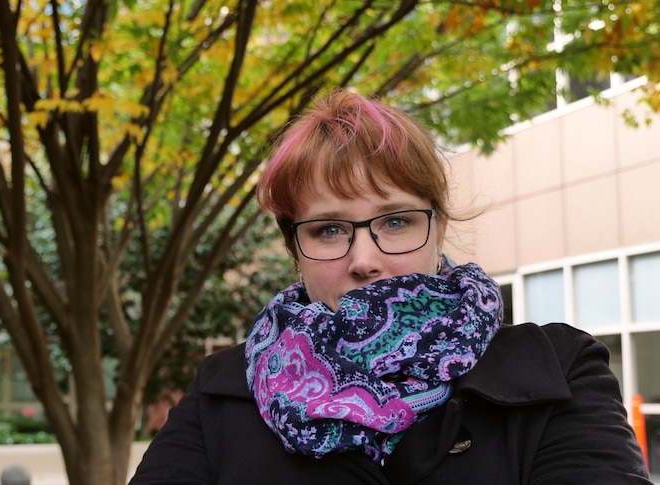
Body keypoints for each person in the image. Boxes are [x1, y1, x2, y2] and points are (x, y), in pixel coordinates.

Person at [129, 89, 651, 484]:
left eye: (396, 221)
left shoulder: (560, 369)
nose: (364, 259)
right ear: (295, 249)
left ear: (439, 227)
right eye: (329, 229)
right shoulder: (222, 391)